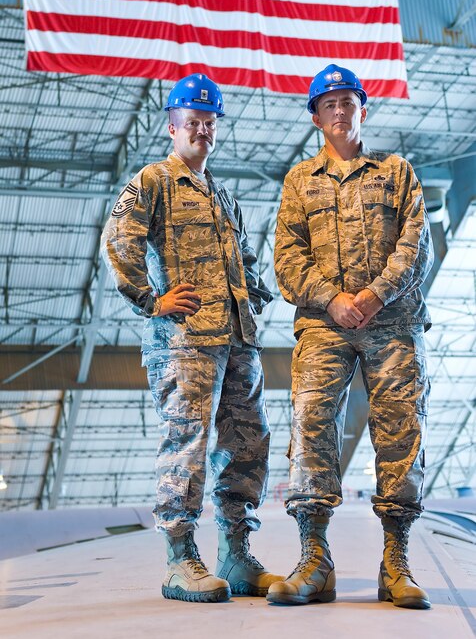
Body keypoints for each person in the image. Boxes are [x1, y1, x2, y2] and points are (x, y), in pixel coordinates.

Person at [101, 73, 282, 603]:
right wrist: (151, 301)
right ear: (173, 127)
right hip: (185, 342)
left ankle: (236, 553)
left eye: (209, 122)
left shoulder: (222, 195)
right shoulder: (152, 181)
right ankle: (180, 560)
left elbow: (245, 261)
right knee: (188, 446)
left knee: (248, 444)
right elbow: (119, 242)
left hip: (237, 342)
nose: (202, 130)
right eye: (193, 122)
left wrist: (259, 295)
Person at [268, 64, 433, 609]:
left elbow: (416, 245)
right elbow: (286, 259)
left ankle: (396, 563)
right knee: (311, 425)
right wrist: (333, 299)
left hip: (393, 325)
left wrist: (374, 295)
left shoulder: (397, 172)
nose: (339, 111)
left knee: (400, 433)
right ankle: (314, 559)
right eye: (328, 104)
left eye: (348, 101)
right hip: (323, 326)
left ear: (364, 108)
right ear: (316, 117)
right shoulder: (300, 181)